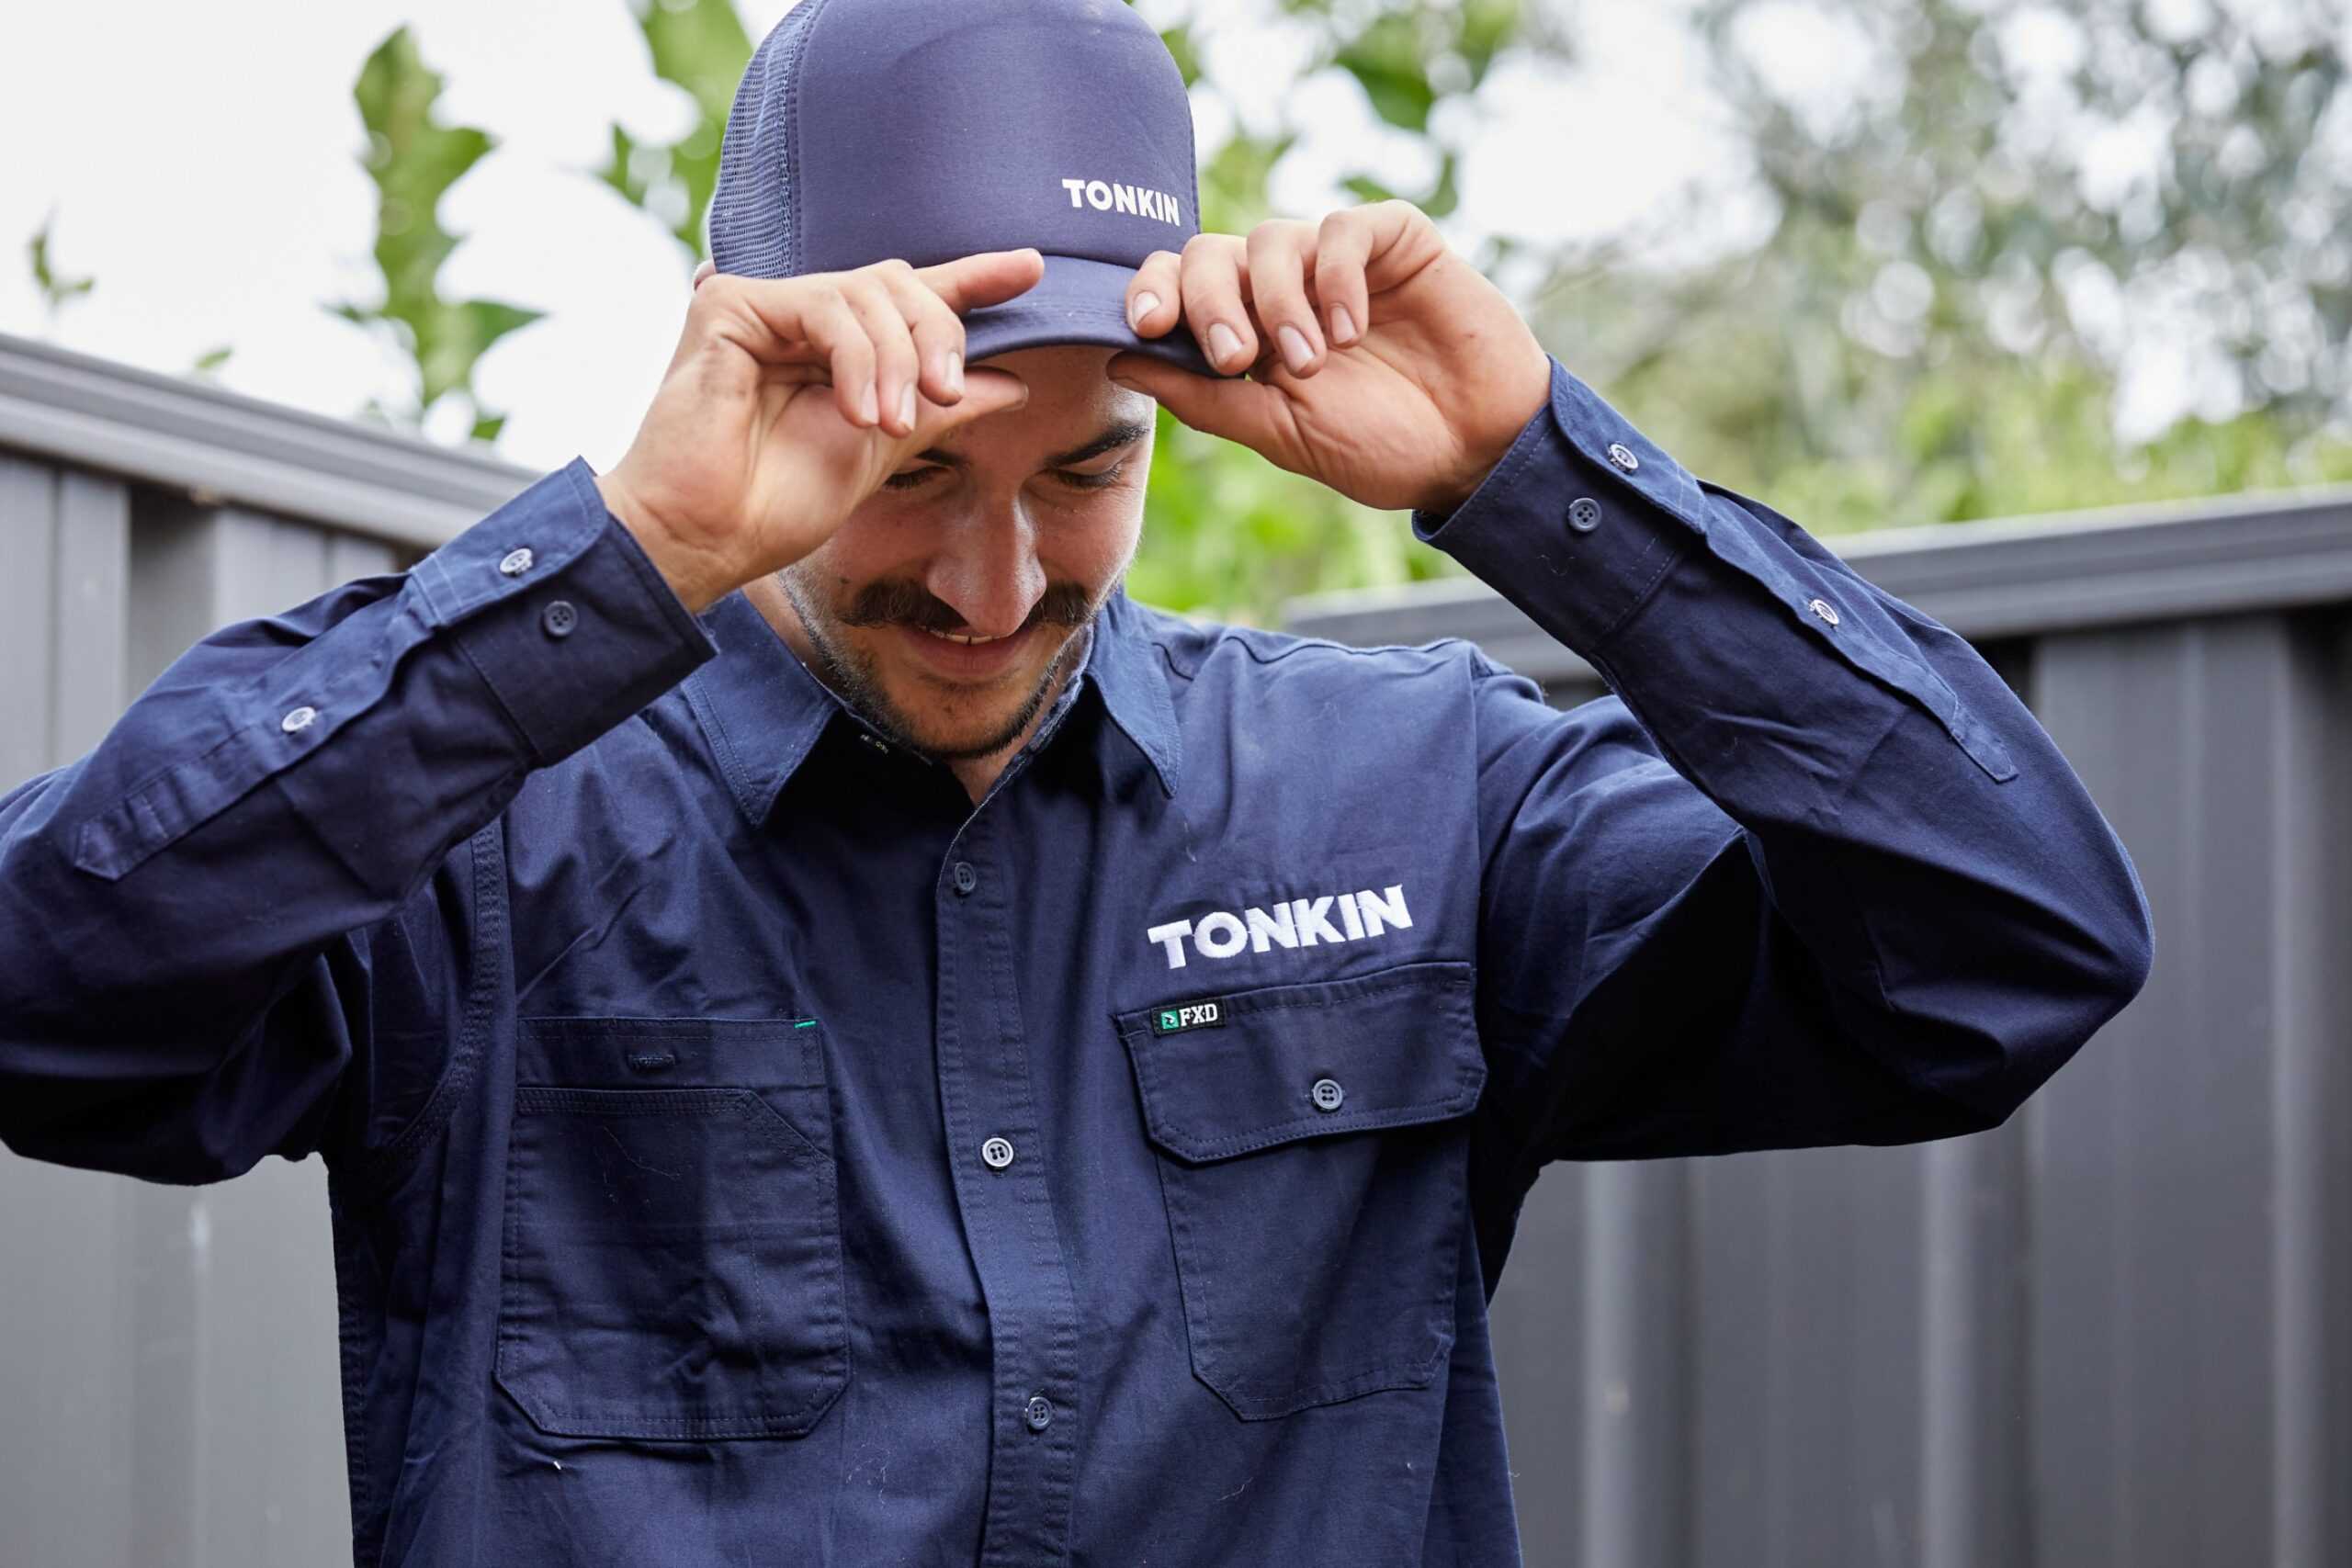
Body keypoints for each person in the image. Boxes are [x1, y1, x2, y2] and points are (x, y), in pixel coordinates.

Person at [0, 1, 2153, 1564]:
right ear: (748, 358)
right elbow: (40, 990)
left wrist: (1534, 475)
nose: (994, 579)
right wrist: (623, 556)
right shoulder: (485, 824)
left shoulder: (1413, 797)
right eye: (916, 469)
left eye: (1083, 471)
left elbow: (2006, 953)